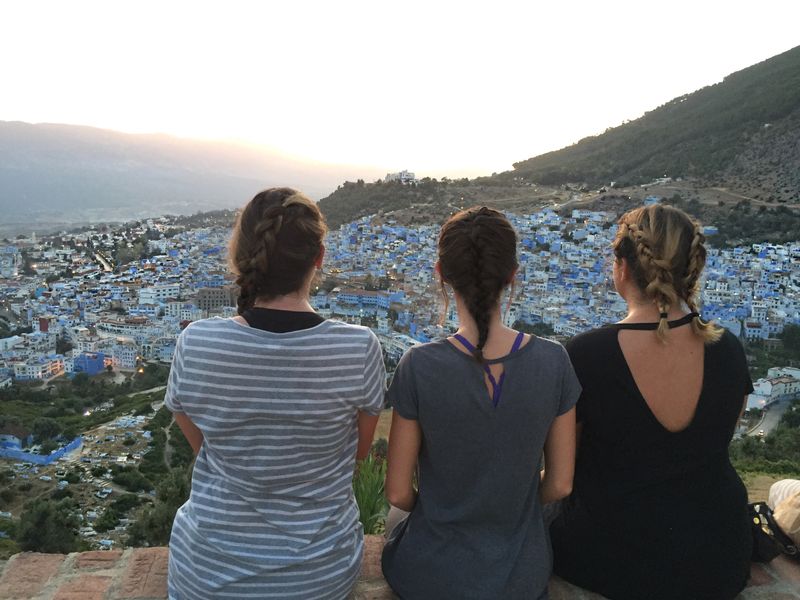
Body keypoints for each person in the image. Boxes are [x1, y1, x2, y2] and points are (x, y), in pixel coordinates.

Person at [165, 188, 386, 599]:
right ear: (319, 259)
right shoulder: (357, 348)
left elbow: (203, 446)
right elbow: (357, 451)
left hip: (207, 576)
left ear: (240, 257)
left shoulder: (197, 343)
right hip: (317, 575)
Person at [550, 204, 753, 599]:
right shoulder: (727, 347)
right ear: (691, 267)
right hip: (719, 555)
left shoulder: (587, 354)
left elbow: (563, 470)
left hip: (612, 557)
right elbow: (718, 437)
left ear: (623, 267)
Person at [381, 206, 579, 600]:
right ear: (512, 275)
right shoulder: (553, 360)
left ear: (441, 275)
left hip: (429, 574)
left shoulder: (418, 365)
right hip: (519, 576)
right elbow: (559, 484)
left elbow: (399, 494)